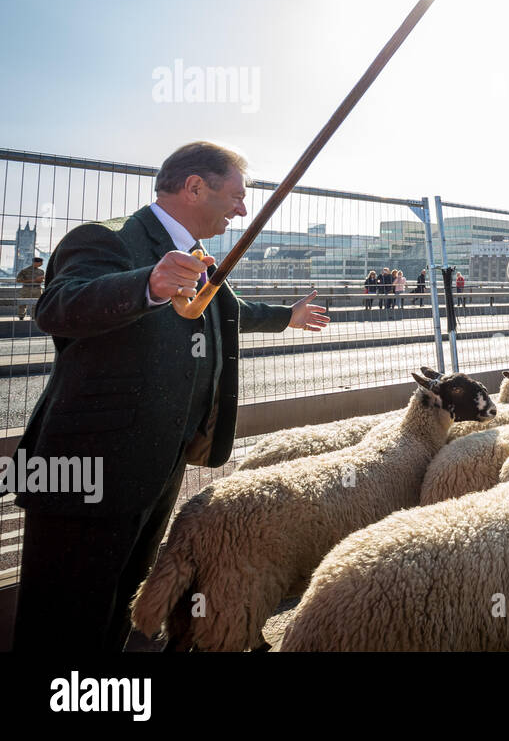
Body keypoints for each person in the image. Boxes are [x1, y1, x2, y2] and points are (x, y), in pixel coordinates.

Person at [12, 140, 330, 651]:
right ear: (194, 187)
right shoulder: (107, 239)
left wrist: (287, 318)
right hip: (88, 470)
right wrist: (149, 285)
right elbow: (57, 306)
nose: (243, 209)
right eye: (236, 195)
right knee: (63, 619)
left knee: (117, 608)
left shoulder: (199, 261)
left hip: (157, 466)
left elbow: (228, 310)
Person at [15, 255, 44, 320]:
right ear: (36, 262)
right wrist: (34, 280)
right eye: (41, 262)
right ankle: (21, 316)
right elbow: (18, 280)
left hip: (37, 289)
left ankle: (34, 316)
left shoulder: (41, 271)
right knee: (23, 303)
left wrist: (41, 280)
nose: (42, 264)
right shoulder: (24, 271)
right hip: (26, 288)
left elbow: (41, 280)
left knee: (36, 303)